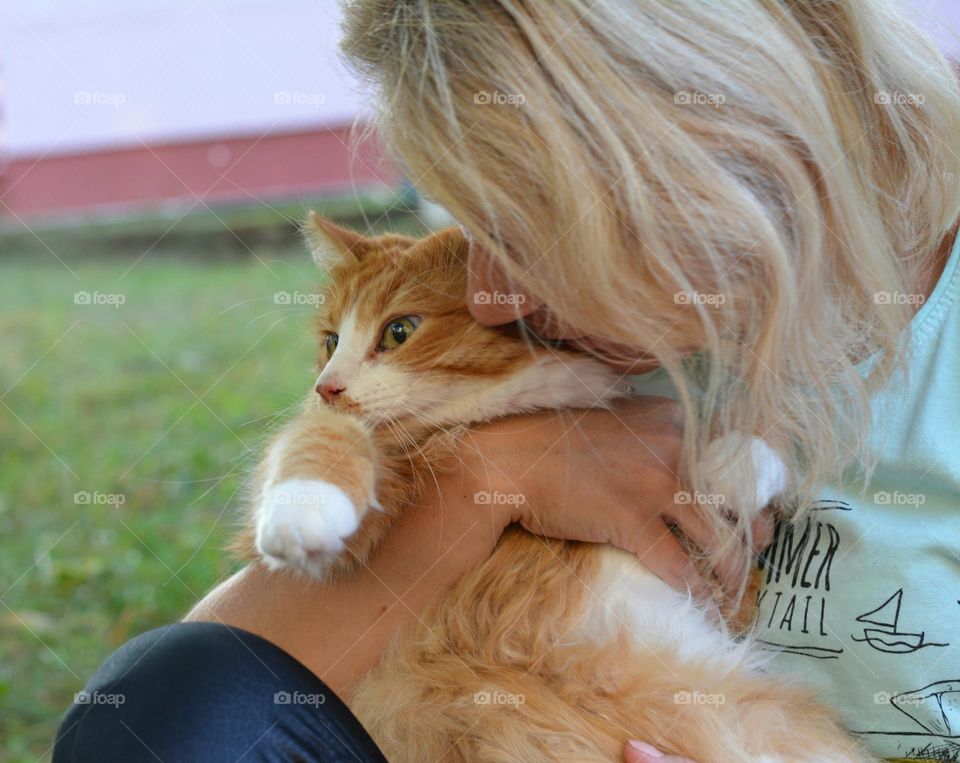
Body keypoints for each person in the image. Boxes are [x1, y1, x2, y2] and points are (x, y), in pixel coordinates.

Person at [55, 1, 960, 761]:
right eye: (463, 221)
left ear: (709, 157)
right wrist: (509, 467)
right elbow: (177, 715)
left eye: (529, 229)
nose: (485, 296)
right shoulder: (573, 342)